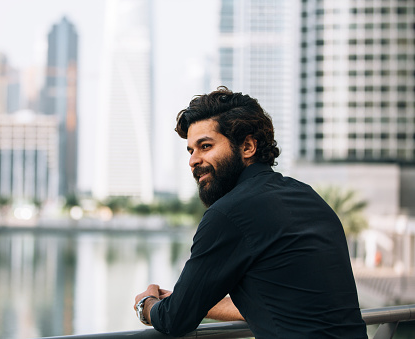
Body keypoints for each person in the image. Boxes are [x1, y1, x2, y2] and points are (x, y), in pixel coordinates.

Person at [134, 87, 367, 338]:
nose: (193, 160)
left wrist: (146, 304)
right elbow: (290, 303)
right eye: (191, 150)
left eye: (205, 146)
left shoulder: (228, 214)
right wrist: (191, 298)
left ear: (247, 146)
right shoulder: (308, 197)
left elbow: (174, 319)